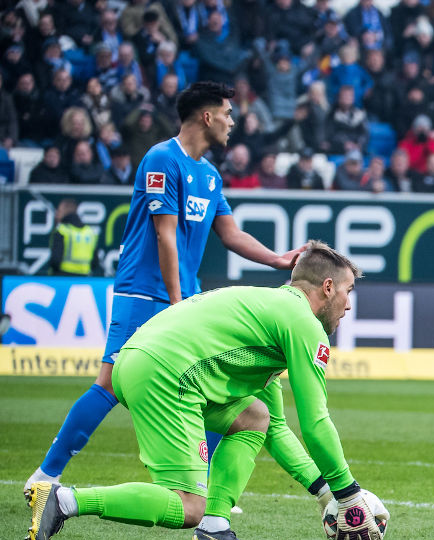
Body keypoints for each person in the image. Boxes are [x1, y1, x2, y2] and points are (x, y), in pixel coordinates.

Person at [24, 82, 306, 501]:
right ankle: (45, 476)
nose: (233, 121)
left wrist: (279, 260)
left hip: (185, 297)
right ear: (207, 116)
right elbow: (165, 236)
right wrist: (178, 305)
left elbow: (230, 234)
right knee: (109, 385)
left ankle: (201, 488)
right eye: (227, 113)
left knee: (209, 385)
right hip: (144, 292)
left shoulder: (209, 176)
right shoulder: (161, 159)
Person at [27, 242, 387, 540]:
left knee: (254, 417)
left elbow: (275, 427)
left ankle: (216, 529)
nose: (349, 305)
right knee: (187, 506)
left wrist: (326, 494)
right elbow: (315, 421)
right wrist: (349, 494)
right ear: (327, 288)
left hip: (138, 360)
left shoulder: (269, 312)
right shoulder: (303, 324)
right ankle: (62, 501)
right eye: (348, 291)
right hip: (166, 374)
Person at [48, 199, 100, 276]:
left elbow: (55, 260)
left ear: (65, 211)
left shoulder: (62, 230)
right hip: (84, 278)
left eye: (59, 210)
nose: (57, 214)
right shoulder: (89, 232)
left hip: (62, 277)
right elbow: (95, 262)